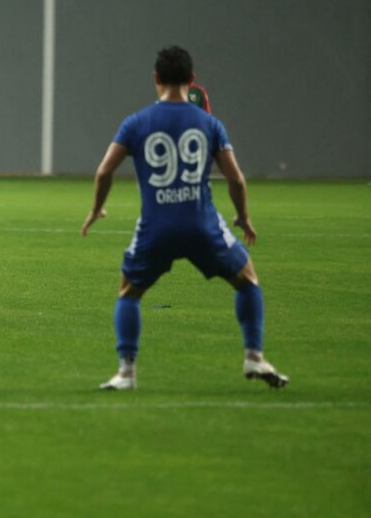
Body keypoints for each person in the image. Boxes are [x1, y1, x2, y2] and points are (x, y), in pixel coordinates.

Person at [81, 46, 288, 391]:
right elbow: (236, 179)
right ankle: (254, 355)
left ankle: (126, 372)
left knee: (128, 293)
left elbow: (104, 172)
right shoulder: (209, 124)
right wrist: (243, 216)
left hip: (156, 227)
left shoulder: (136, 123)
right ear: (191, 80)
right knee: (247, 280)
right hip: (201, 224)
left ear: (156, 78)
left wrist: (96, 208)